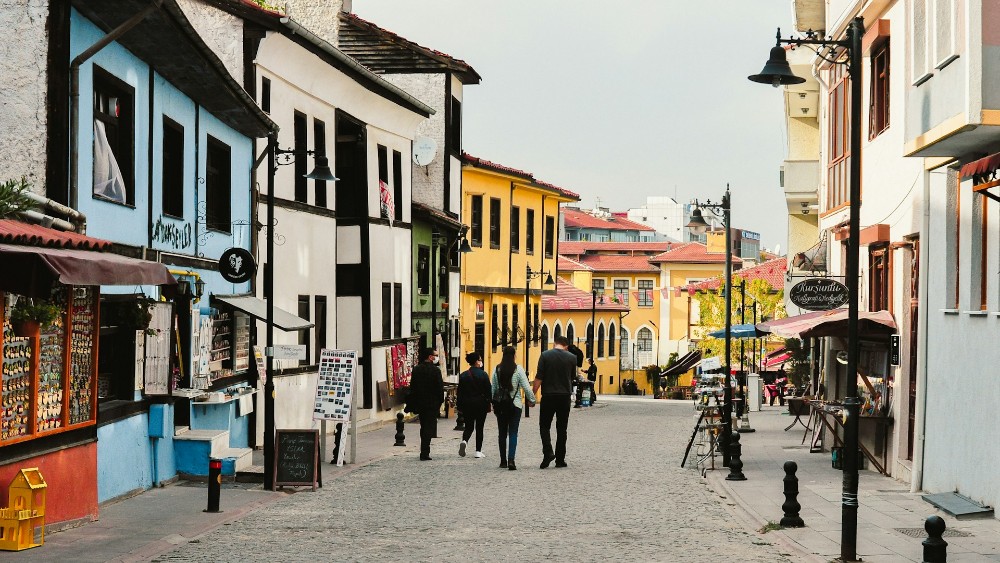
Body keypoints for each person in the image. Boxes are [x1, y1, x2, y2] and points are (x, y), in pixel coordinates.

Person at [533, 335, 576, 469]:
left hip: (548, 396)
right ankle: (560, 459)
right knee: (562, 428)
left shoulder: (545, 355)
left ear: (554, 344)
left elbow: (539, 377)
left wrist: (532, 395)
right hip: (564, 396)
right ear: (566, 346)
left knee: (544, 426)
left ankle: (548, 452)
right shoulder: (572, 358)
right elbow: (572, 377)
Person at [491, 346, 536, 470]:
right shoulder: (518, 369)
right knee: (513, 432)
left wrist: (492, 403)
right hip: (515, 405)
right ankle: (511, 460)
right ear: (514, 355)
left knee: (501, 433)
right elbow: (526, 387)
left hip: (500, 406)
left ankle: (502, 461)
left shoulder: (496, 369)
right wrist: (532, 400)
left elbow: (493, 389)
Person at [405, 347, 444, 460]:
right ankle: (425, 452)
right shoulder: (436, 371)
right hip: (432, 403)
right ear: (430, 357)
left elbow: (413, 387)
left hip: (420, 402)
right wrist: (439, 402)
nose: (437, 357)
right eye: (435, 355)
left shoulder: (417, 369)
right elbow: (439, 388)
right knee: (429, 427)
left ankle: (424, 450)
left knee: (423, 426)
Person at [457, 351, 491, 459]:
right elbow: (488, 391)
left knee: (469, 426)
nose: (481, 362)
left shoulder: (463, 375)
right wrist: (489, 402)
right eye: (480, 359)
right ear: (476, 362)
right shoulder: (483, 374)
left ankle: (465, 441)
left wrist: (460, 406)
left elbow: (460, 392)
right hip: (481, 404)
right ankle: (478, 451)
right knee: (479, 427)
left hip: (467, 404)